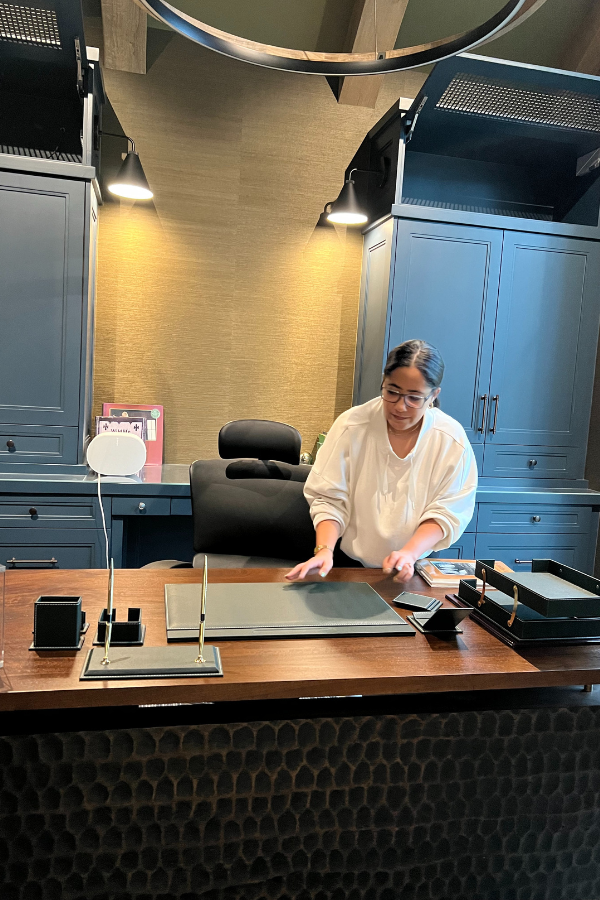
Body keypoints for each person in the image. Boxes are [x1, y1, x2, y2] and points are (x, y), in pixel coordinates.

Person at [286, 339, 477, 583]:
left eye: (414, 398)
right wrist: (324, 550)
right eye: (392, 392)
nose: (400, 406)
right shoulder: (351, 426)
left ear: (433, 396)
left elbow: (447, 511)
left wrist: (408, 554)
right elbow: (329, 498)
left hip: (415, 566)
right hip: (349, 566)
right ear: (382, 382)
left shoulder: (451, 439)